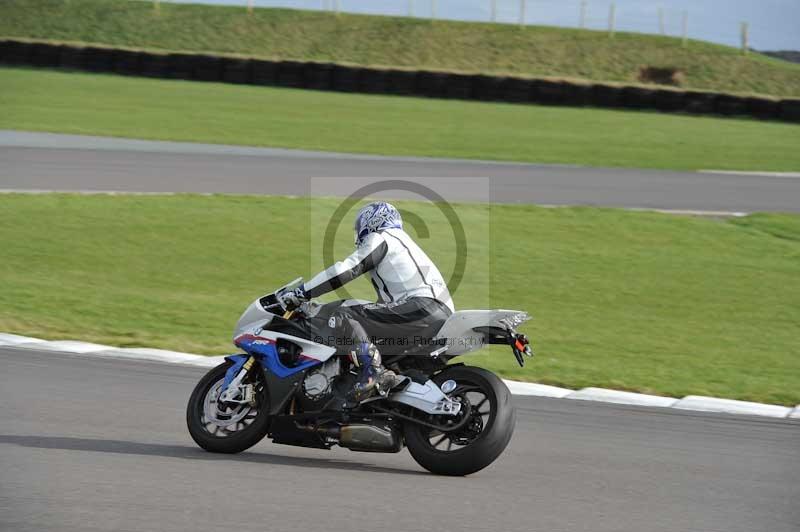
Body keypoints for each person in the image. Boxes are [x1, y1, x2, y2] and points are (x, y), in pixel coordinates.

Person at [275, 201, 454, 401]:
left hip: (421, 306)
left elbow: (347, 270)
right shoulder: (403, 245)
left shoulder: (382, 237)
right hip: (437, 312)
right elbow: (381, 308)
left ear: (371, 221)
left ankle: (372, 372)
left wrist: (302, 292)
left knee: (343, 313)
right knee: (377, 343)